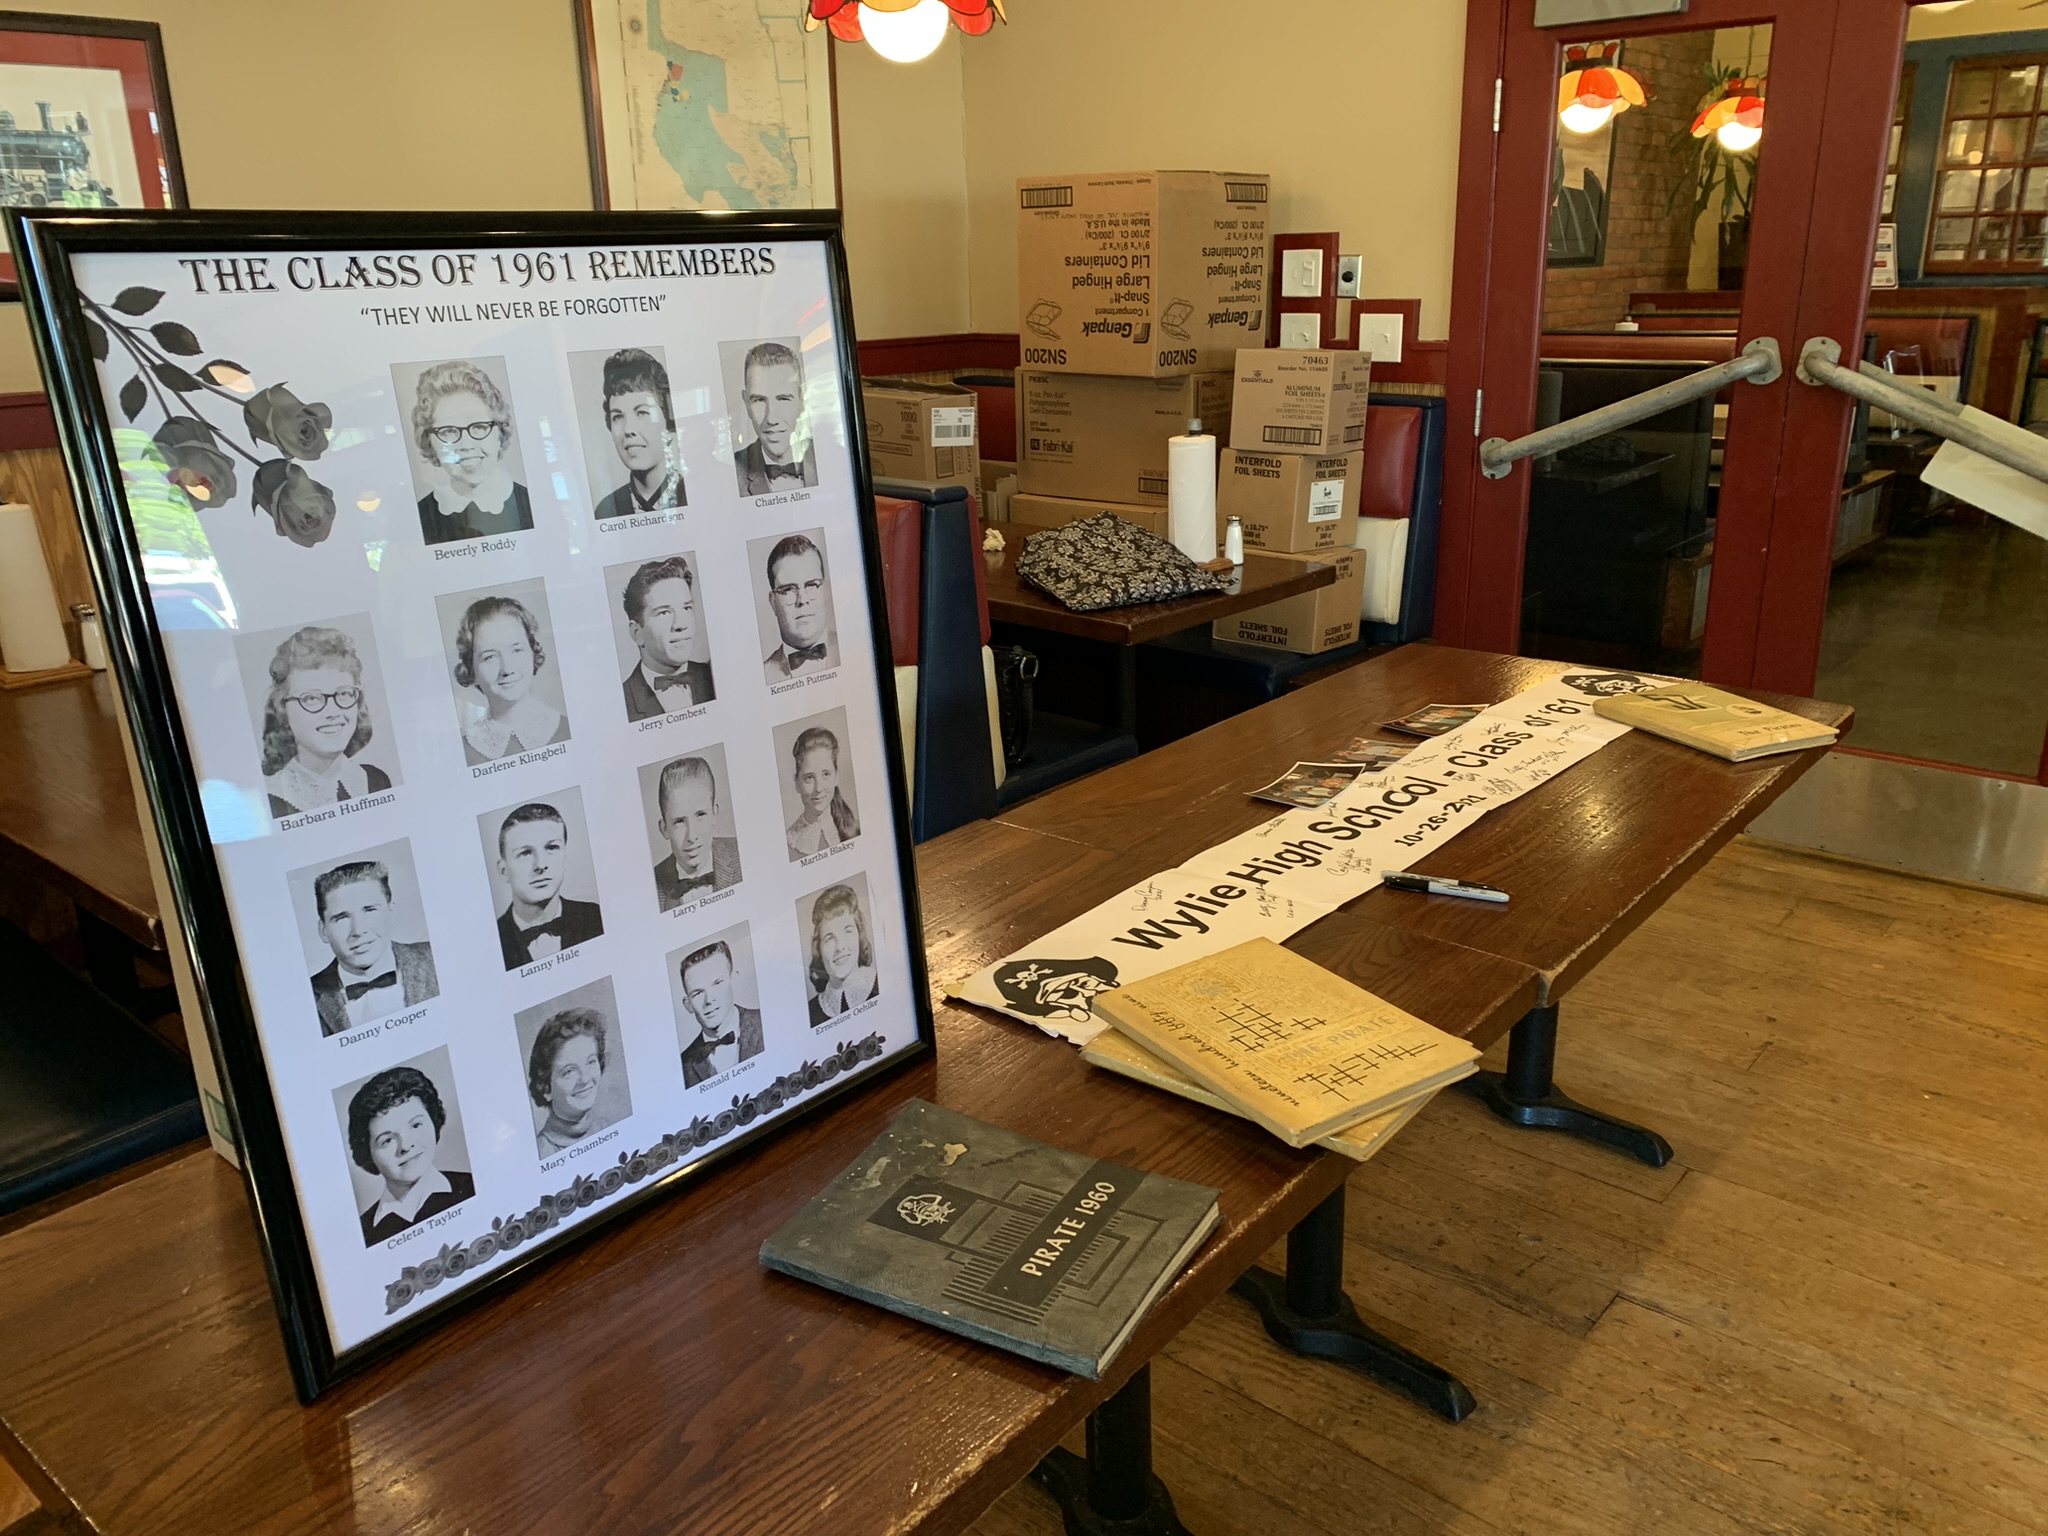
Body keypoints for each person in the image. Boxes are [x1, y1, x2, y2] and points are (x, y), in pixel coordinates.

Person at [260, 627, 395, 819]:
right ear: (283, 710)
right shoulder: (271, 803)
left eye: (344, 693)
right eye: (311, 698)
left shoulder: (376, 780)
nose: (332, 712)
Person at [346, 1065, 474, 1245]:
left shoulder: (473, 1186)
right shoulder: (362, 1232)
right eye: (387, 1140)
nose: (405, 1146)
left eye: (416, 1125)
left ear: (433, 1121)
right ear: (368, 1154)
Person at [308, 860, 439, 1037]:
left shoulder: (436, 957)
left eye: (369, 910)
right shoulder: (307, 998)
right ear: (323, 930)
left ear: (390, 909)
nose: (358, 930)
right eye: (341, 918)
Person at [411, 360, 533, 544]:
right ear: (430, 440)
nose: (466, 445)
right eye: (448, 431)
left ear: (498, 433)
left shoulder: (533, 504)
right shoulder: (417, 518)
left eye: (479, 427)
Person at [453, 595, 569, 763]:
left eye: (516, 650)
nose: (507, 669)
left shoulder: (569, 729)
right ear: (472, 671)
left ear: (532, 653)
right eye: (490, 657)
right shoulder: (462, 753)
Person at [494, 802, 604, 969]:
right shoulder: (493, 940)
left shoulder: (596, 918)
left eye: (551, 847)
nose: (541, 865)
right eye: (525, 853)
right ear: (504, 870)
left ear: (564, 858)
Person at [593, 348, 686, 519]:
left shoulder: (695, 493)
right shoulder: (605, 511)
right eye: (618, 417)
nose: (628, 429)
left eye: (642, 413)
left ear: (667, 422)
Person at [620, 557, 714, 722]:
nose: (680, 624)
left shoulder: (713, 675)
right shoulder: (622, 704)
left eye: (686, 608)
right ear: (637, 633)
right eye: (664, 612)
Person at [651, 755, 742, 911]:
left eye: (700, 815)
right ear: (664, 828)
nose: (692, 837)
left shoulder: (743, 854)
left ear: (714, 814)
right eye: (679, 821)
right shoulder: (651, 887)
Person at [526, 1008, 616, 1156]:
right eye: (569, 1071)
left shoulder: (605, 1126)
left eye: (591, 1062)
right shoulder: (543, 1151)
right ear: (546, 1088)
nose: (585, 1079)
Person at [732, 341, 818, 495]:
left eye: (783, 399)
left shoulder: (834, 458)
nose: (771, 418)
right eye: (759, 400)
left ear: (802, 398)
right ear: (746, 403)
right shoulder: (731, 474)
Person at [676, 940, 764, 1086]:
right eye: (697, 993)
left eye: (717, 983)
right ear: (688, 1005)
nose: (709, 1000)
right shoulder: (683, 1065)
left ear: (734, 980)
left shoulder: (766, 1021)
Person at [760, 533, 839, 681]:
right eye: (788, 590)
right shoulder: (763, 674)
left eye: (811, 585)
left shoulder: (858, 649)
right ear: (773, 603)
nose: (802, 600)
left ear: (825, 591)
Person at [806, 883, 878, 1025]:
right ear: (819, 949)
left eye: (848, 931)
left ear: (859, 935)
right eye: (829, 938)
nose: (840, 947)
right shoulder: (810, 1012)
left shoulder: (887, 984)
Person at [785, 726, 859, 858]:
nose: (818, 788)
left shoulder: (855, 830)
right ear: (797, 783)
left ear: (836, 776)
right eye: (809, 778)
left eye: (825, 774)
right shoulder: (787, 844)